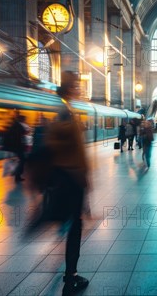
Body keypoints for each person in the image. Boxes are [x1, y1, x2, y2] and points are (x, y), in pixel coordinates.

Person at [44, 71, 90, 294]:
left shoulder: (66, 110)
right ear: (70, 88)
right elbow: (54, 143)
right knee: (74, 227)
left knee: (74, 225)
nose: (80, 89)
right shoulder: (64, 112)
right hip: (70, 179)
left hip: (73, 177)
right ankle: (70, 274)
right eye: (77, 85)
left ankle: (71, 272)